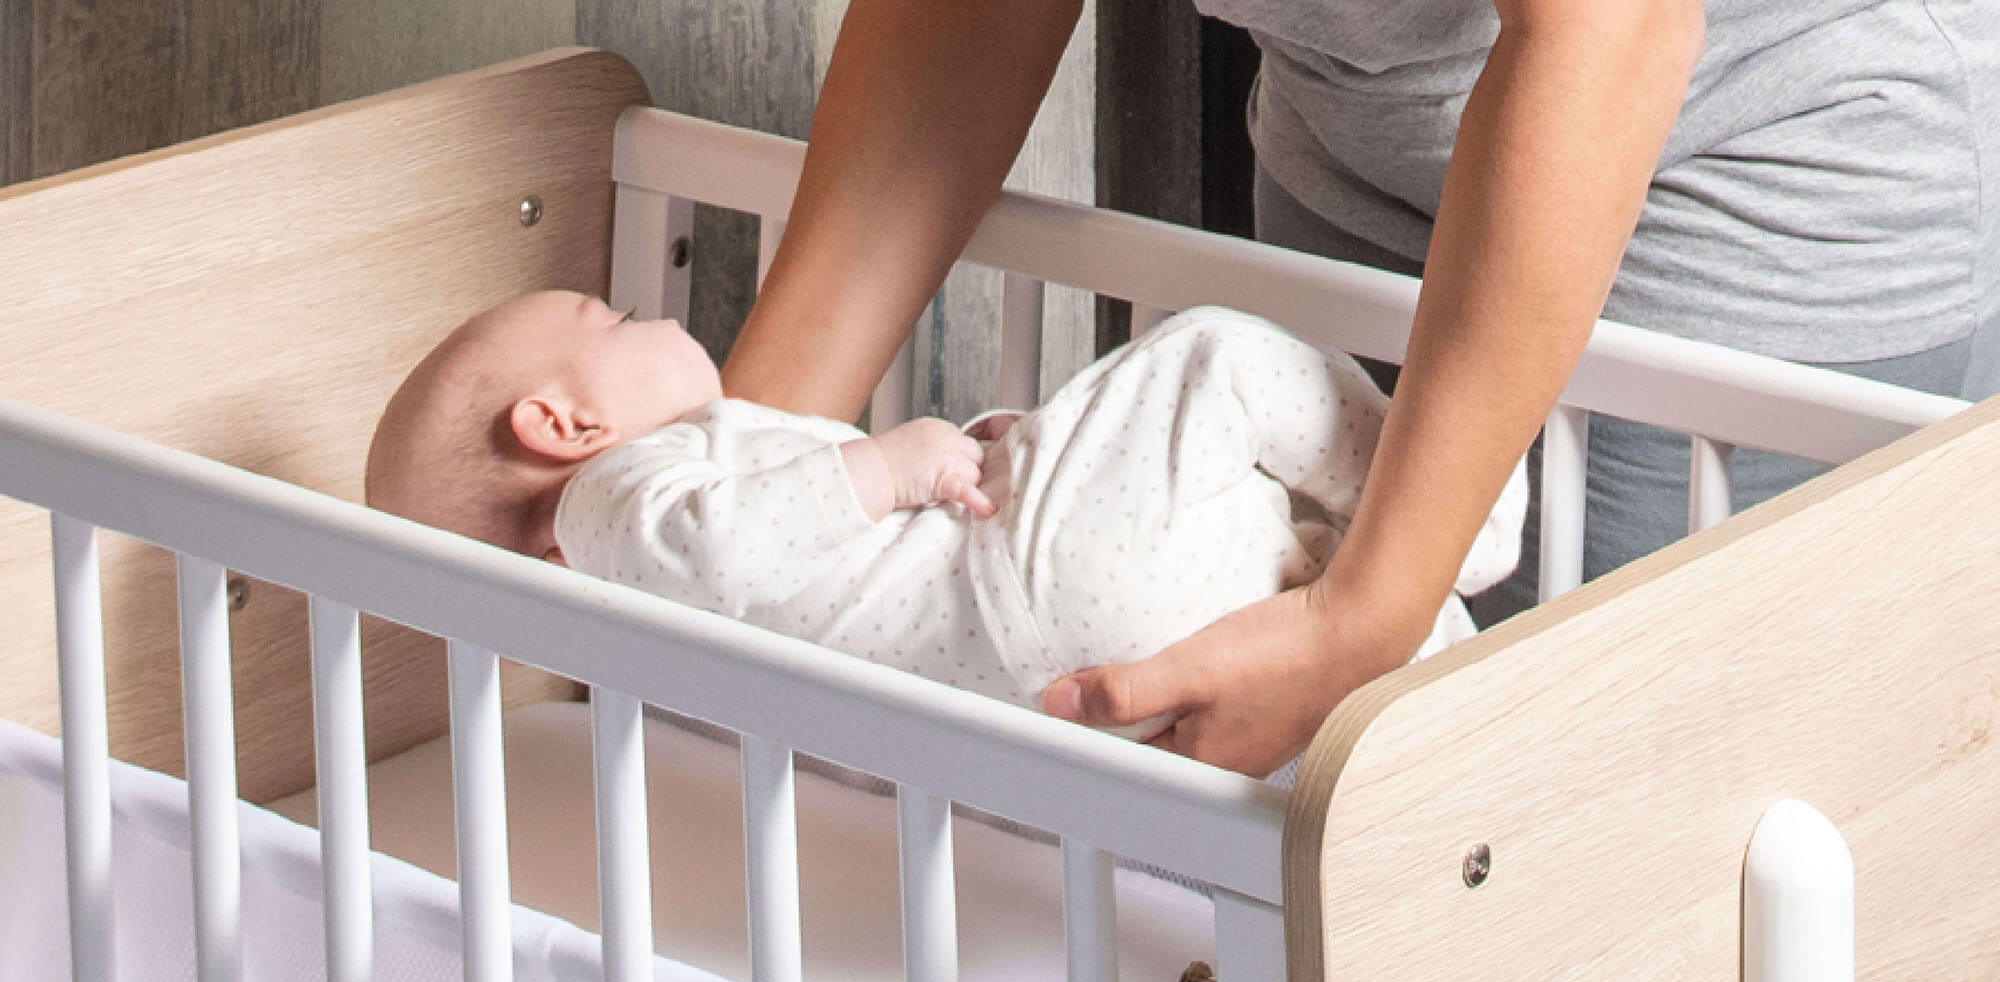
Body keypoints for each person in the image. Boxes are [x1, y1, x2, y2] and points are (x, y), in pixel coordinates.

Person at [718, 0, 1998, 775]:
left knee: (1572, 871)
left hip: (1741, 177)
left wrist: (1364, 616)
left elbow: (1609, 34)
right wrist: (720, 484)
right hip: (1360, 163)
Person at [364, 290, 1525, 771]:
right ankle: (1456, 519)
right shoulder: (612, 497)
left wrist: (976, 448)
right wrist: (886, 463)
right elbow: (723, 545)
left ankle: (1444, 682)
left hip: (1053, 674)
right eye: (607, 315)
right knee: (1208, 362)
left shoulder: (667, 606)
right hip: (1035, 580)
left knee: (1294, 578)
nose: (648, 309)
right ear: (562, 423)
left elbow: (851, 577)